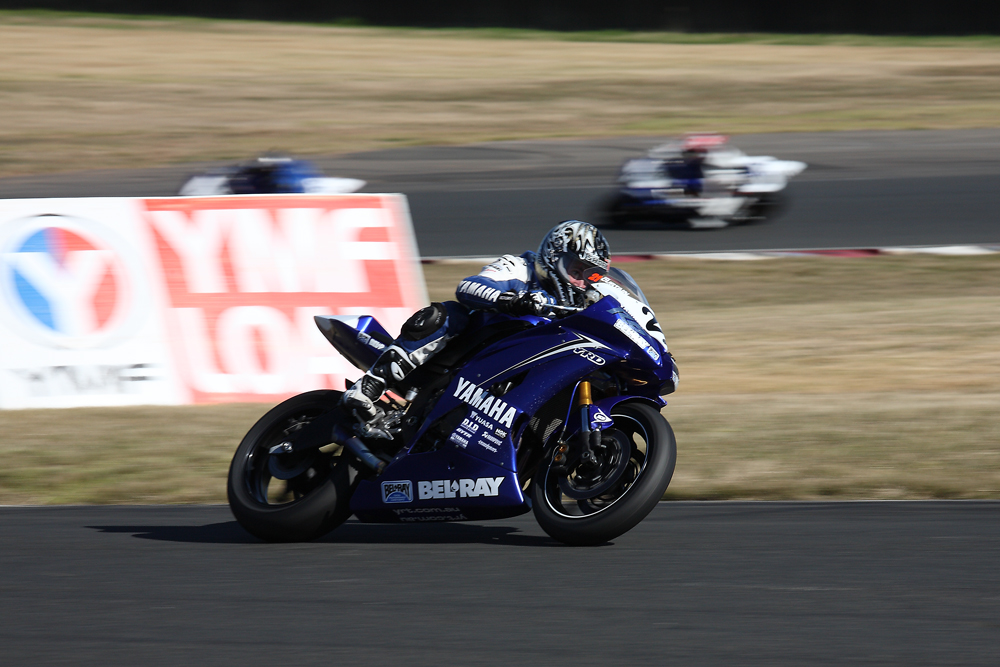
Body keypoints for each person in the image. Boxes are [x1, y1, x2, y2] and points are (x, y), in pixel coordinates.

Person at [341, 220, 612, 433]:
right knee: (448, 313)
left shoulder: (588, 299)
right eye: (576, 270)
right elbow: (468, 286)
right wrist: (512, 300)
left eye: (590, 274)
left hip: (522, 374)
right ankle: (369, 387)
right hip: (470, 353)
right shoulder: (520, 267)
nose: (581, 281)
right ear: (554, 258)